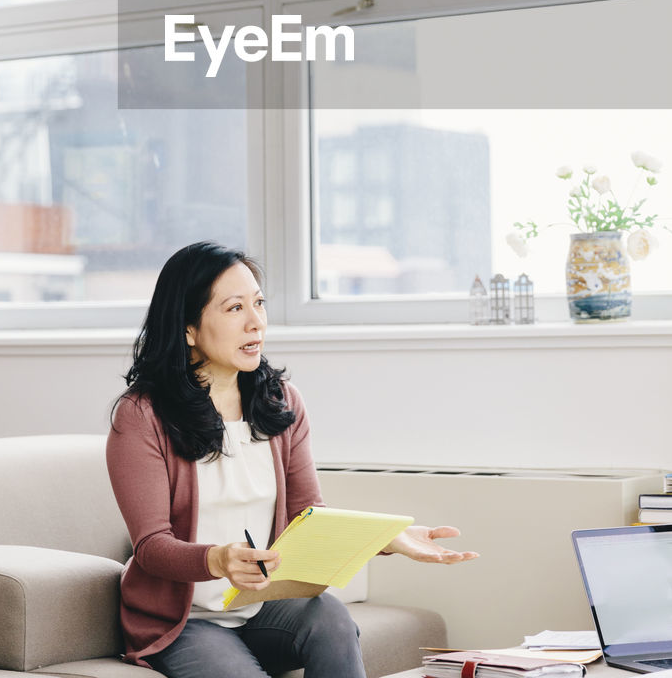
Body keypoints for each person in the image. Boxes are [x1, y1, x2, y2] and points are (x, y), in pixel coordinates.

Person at [107, 241, 477, 675]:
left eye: (259, 303)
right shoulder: (141, 415)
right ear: (189, 328)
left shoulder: (280, 401)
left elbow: (308, 515)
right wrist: (218, 559)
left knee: (330, 617)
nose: (256, 322)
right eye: (233, 309)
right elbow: (151, 547)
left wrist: (383, 538)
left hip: (263, 605)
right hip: (186, 622)